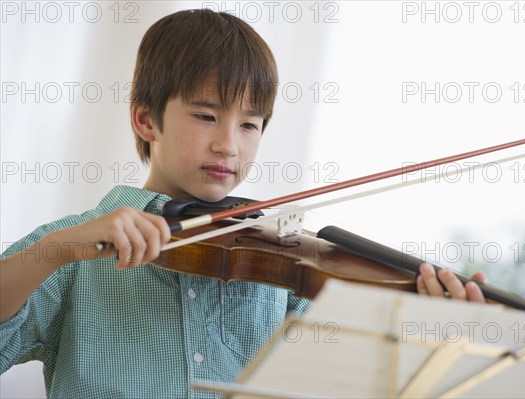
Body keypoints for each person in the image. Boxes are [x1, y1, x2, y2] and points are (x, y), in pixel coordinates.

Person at [0, 9, 486, 398]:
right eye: (206, 115)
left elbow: (351, 371)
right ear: (146, 121)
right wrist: (61, 247)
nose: (229, 145)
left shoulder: (276, 264)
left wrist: (432, 323)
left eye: (250, 124)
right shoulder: (76, 252)